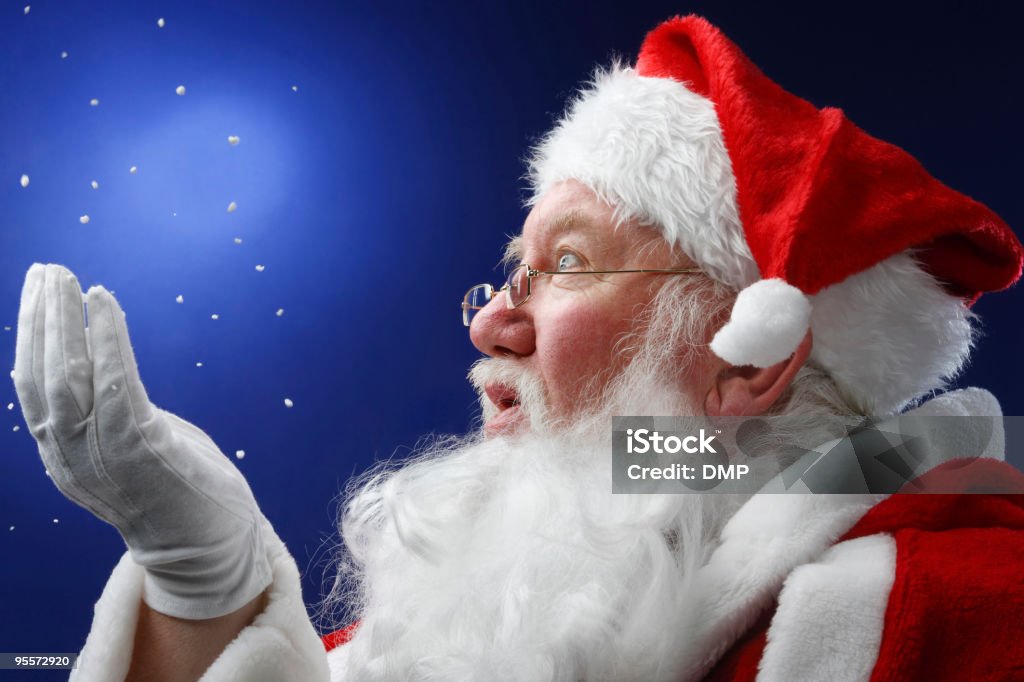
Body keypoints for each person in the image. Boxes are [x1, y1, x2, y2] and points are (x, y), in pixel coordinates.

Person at [13, 14, 1024, 682]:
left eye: (571, 265)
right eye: (512, 270)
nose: (491, 322)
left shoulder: (961, 620)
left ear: (749, 362)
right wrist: (202, 582)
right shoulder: (486, 616)